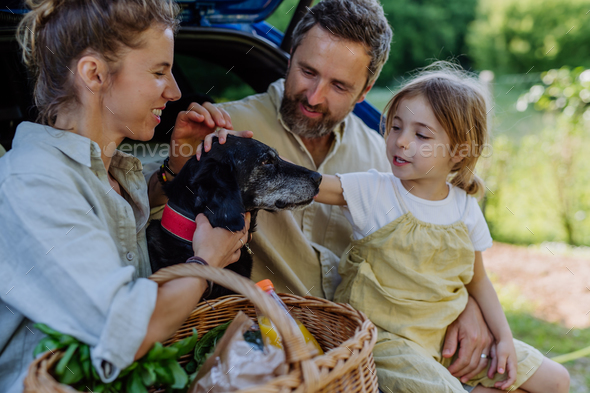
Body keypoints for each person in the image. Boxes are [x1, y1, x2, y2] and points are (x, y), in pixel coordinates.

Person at [190, 0, 496, 387]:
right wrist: (175, 166)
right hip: (263, 355)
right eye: (307, 71)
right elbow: (158, 227)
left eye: (338, 86)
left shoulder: (388, 157)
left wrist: (466, 305)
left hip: (367, 353)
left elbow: (433, 249)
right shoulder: (228, 131)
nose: (315, 96)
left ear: (365, 90)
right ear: (289, 58)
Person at [0, 1, 250, 392]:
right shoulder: (33, 181)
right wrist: (208, 261)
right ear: (94, 73)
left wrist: (177, 164)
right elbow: (128, 328)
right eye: (158, 72)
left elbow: (109, 210)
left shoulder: (111, 167)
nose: (175, 91)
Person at [313, 62, 570, 392]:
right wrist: (244, 154)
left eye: (421, 135)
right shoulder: (374, 190)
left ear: (459, 153)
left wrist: (503, 338)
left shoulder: (464, 208)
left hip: (447, 340)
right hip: (387, 343)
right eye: (395, 127)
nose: (401, 142)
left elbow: (479, 281)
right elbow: (313, 184)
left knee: (555, 379)